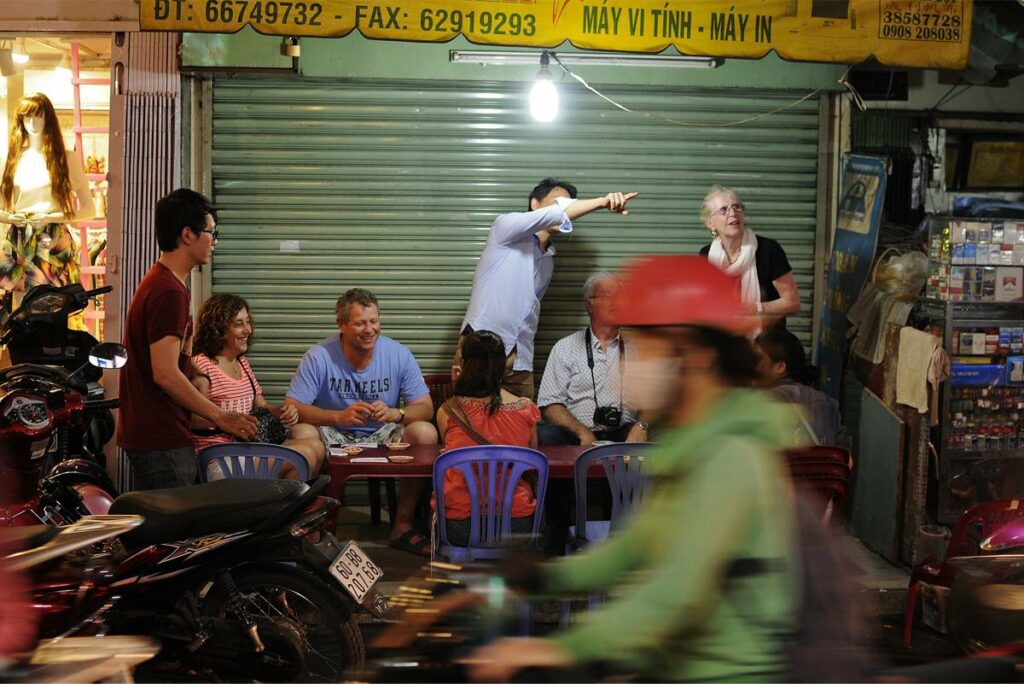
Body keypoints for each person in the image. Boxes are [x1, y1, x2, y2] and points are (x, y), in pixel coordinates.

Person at [470, 255, 804, 683]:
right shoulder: (692, 448)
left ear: (694, 355)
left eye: (650, 346)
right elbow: (629, 552)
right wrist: (533, 575)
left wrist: (558, 649)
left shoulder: (730, 455)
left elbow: (676, 593)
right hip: (674, 665)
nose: (632, 362)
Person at [117, 189, 258, 490]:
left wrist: (196, 371)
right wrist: (222, 417)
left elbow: (172, 364)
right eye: (211, 232)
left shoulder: (165, 284)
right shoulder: (168, 291)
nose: (215, 241)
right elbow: (165, 374)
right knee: (171, 534)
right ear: (187, 235)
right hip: (161, 436)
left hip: (158, 433)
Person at [285, 287, 438, 556]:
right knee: (301, 432)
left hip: (382, 433)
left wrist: (396, 413)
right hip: (332, 433)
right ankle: (309, 527)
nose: (370, 330)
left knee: (424, 432)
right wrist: (337, 417)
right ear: (341, 325)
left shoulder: (398, 354)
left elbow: (425, 407)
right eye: (360, 323)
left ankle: (402, 525)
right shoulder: (319, 356)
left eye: (374, 321)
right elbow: (292, 407)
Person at [457, 179, 638, 399]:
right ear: (535, 203)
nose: (567, 209)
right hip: (481, 347)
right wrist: (603, 201)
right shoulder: (505, 228)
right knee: (472, 423)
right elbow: (558, 213)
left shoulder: (549, 259)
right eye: (559, 202)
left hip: (520, 357)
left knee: (521, 425)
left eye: (571, 204)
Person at [190, 293, 326, 477]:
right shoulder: (202, 366)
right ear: (218, 328)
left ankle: (283, 503)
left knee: (317, 447)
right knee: (304, 455)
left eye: (248, 322)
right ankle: (284, 504)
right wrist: (227, 418)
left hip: (247, 449)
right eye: (239, 324)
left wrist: (281, 412)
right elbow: (191, 419)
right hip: (219, 458)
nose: (248, 330)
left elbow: (260, 405)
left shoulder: (242, 363)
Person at [435, 329, 541, 545]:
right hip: (517, 526)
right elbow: (533, 466)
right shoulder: (527, 410)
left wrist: (458, 387)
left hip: (461, 527)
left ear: (463, 364)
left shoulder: (448, 411)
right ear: (504, 366)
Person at [1, 93, 96, 313]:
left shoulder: (66, 158)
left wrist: (53, 217)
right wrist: (9, 217)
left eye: (38, 116)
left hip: (51, 237)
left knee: (53, 306)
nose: (33, 123)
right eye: (27, 117)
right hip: (19, 236)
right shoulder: (13, 158)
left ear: (48, 119)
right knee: (19, 310)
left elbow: (89, 210)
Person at [536, 272, 647, 446]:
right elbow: (549, 404)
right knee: (544, 434)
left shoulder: (639, 349)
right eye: (607, 295)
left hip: (625, 432)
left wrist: (641, 426)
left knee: (661, 433)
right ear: (588, 304)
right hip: (578, 434)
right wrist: (581, 431)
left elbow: (656, 402)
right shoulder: (565, 347)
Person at [698, 185, 800, 329]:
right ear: (710, 223)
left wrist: (757, 308)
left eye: (736, 207)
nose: (733, 213)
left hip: (764, 343)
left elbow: (793, 303)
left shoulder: (768, 250)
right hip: (723, 340)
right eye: (724, 210)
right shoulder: (706, 255)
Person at [755, 327, 852, 451]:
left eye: (756, 360)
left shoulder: (763, 401)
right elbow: (844, 455)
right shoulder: (828, 403)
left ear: (780, 367)